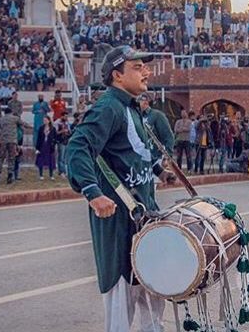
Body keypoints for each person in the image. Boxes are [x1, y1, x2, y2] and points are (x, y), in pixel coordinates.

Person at [65, 45, 173, 332]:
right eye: (137, 68)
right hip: (119, 221)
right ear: (117, 75)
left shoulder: (131, 108)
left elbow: (133, 154)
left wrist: (160, 172)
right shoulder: (109, 107)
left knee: (152, 293)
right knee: (121, 302)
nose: (146, 72)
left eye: (144, 66)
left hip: (144, 217)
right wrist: (92, 191)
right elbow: (77, 147)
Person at [0, 107, 32, 184]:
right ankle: (10, 176)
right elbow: (24, 124)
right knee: (11, 158)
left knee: (0, 158)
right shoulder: (15, 118)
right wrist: (32, 127)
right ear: (11, 112)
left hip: (3, 141)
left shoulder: (1, 119)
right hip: (12, 141)